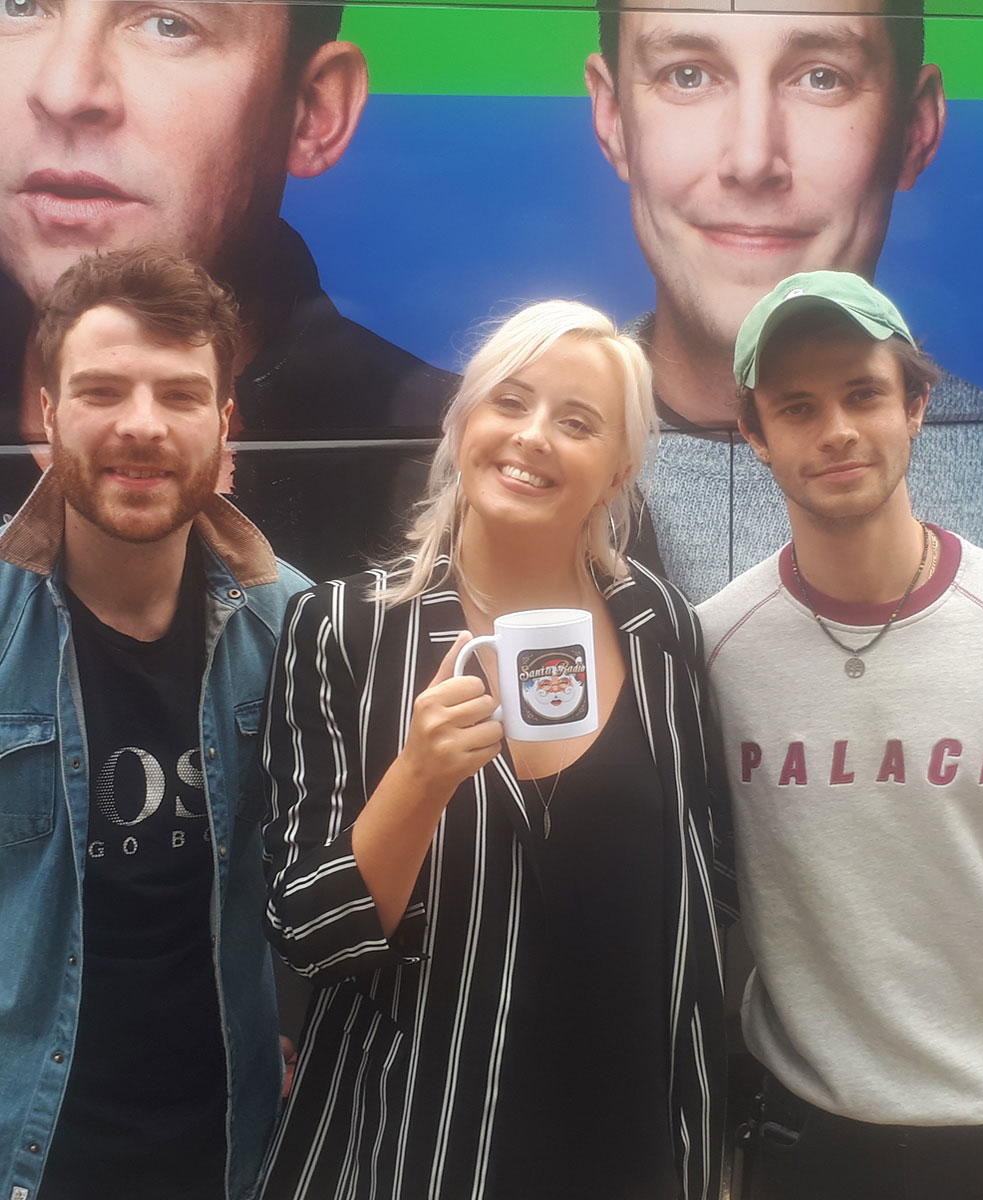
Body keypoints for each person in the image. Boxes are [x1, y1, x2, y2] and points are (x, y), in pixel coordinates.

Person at [259, 301, 737, 1200]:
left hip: (629, 1146)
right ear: (462, 421)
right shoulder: (345, 630)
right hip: (421, 1146)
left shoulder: (660, 628)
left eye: (578, 421)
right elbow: (306, 932)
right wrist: (419, 777)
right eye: (508, 402)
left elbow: (706, 895)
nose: (533, 437)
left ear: (619, 469)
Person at [0, 246, 310, 1200]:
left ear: (224, 429)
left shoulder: (297, 625)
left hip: (231, 1154)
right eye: (101, 391)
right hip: (28, 1150)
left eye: (179, 396)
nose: (141, 426)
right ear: (49, 419)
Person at [698, 271, 983, 1199]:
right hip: (806, 1138)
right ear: (753, 436)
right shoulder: (710, 651)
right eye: (795, 406)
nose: (834, 429)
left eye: (863, 393)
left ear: (916, 406)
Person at [0, 0, 455, 575]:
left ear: (315, 109)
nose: (64, 92)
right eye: (19, 6)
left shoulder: (449, 453)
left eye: (169, 24)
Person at [586, 0, 983, 600]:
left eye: (821, 77)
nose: (752, 161)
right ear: (612, 116)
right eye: (688, 75)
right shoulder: (525, 466)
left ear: (915, 127)